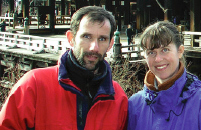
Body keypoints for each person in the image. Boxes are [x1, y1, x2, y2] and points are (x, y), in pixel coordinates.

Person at [0, 6, 128, 130]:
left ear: (110, 44)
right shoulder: (34, 84)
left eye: (102, 39)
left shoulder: (118, 98)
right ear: (71, 38)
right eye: (86, 37)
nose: (94, 47)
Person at [128, 21, 201, 130]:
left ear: (180, 51)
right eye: (151, 52)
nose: (158, 59)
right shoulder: (135, 104)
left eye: (165, 50)